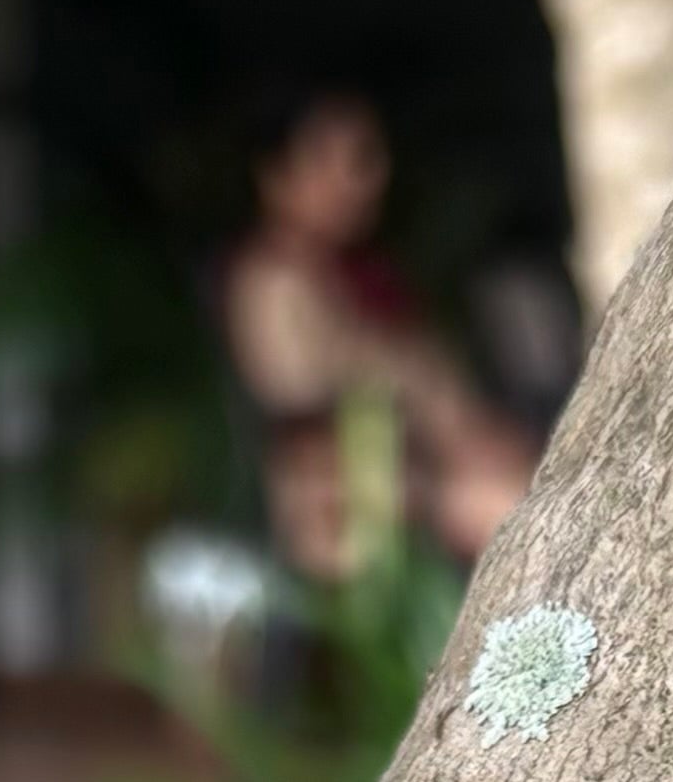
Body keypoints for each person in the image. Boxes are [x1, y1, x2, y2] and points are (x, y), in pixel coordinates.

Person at [217, 87, 534, 583]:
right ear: (276, 176)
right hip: (365, 503)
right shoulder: (274, 283)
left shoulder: (363, 273)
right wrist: (445, 461)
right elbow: (309, 416)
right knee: (524, 512)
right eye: (336, 160)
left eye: (367, 158)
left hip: (443, 476)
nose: (364, 179)